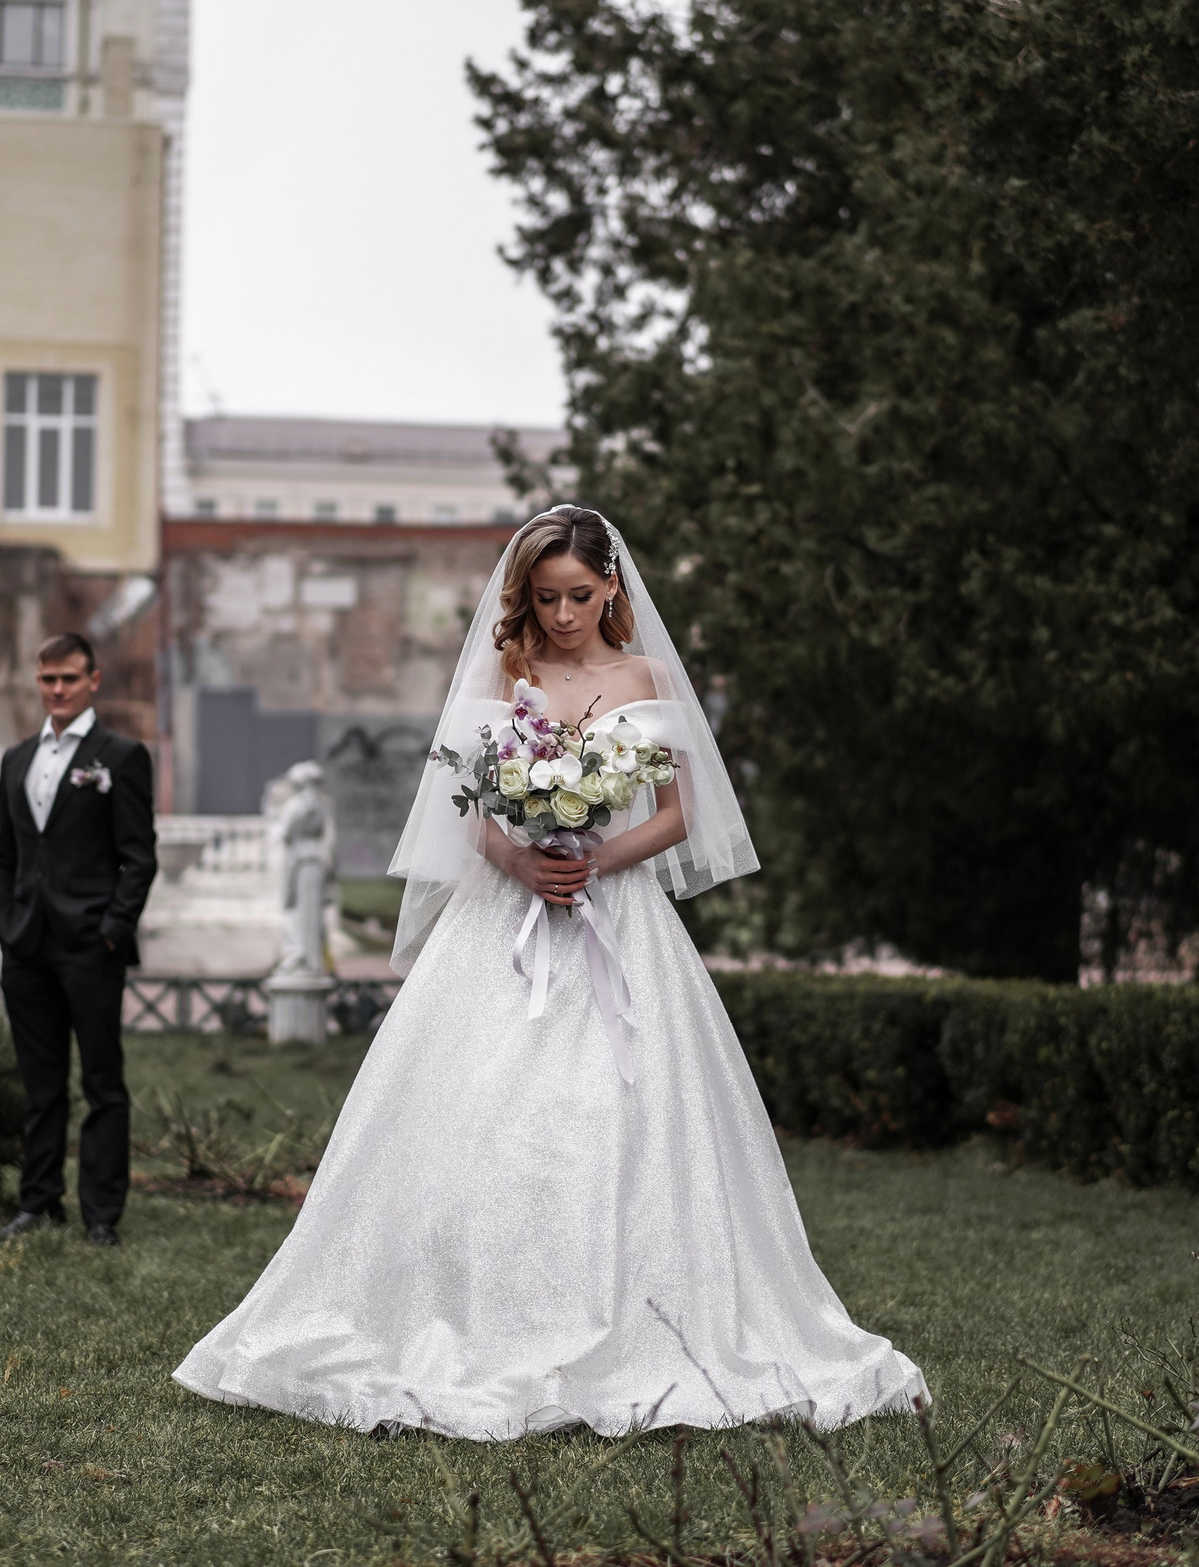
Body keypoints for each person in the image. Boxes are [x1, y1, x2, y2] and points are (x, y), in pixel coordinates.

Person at [174, 506, 924, 1437]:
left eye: (578, 594)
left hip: (620, 918)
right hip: (506, 916)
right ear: (523, 597)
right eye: (544, 597)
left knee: (618, 1107)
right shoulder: (505, 674)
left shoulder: (646, 679)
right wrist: (525, 860)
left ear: (611, 584)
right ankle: (466, 1307)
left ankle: (641, 1312)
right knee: (476, 1108)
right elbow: (471, 813)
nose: (563, 614)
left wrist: (598, 858)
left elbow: (680, 812)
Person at [0, 632, 157, 1247]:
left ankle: (101, 1216)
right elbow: (4, 855)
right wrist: (4, 921)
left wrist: (112, 931)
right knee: (39, 1083)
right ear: (38, 682)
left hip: (91, 944)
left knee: (102, 1083)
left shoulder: (120, 756)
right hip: (25, 944)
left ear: (93, 680)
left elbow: (139, 857)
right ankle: (37, 1205)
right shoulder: (14, 759)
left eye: (68, 678)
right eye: (46, 679)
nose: (56, 689)